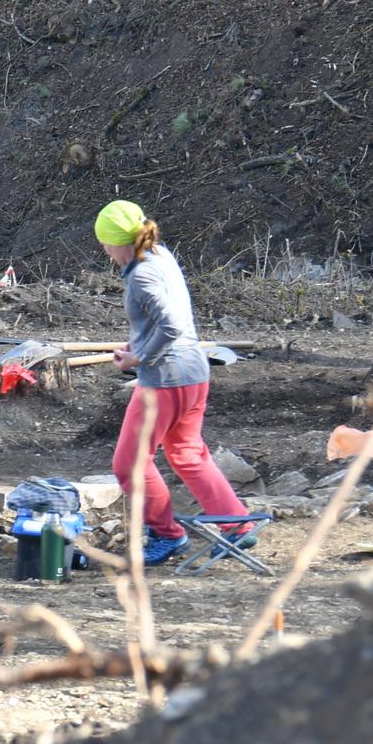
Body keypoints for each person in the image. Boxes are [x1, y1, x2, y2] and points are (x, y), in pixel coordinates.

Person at [96, 200, 253, 566]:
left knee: (129, 464)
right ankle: (238, 526)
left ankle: (168, 534)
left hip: (165, 379)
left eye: (104, 243)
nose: (104, 251)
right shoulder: (159, 255)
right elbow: (168, 319)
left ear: (118, 241)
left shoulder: (141, 275)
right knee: (186, 454)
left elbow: (171, 324)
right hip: (194, 371)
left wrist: (140, 358)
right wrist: (137, 344)